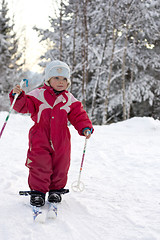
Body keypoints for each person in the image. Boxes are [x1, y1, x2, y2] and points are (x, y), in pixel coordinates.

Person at [9, 60, 93, 207]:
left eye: (64, 79)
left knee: (61, 165)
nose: (61, 82)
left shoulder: (69, 99)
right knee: (40, 164)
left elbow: (78, 115)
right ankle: (38, 192)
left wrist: (85, 127)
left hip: (62, 139)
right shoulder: (37, 95)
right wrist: (18, 96)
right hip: (40, 136)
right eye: (56, 78)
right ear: (48, 79)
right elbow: (23, 106)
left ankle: (56, 190)